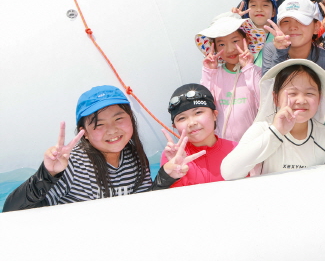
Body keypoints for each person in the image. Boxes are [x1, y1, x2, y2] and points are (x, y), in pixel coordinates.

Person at [220, 59, 325, 217]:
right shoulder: (263, 129)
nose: (301, 100)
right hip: (269, 212)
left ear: (320, 99)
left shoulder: (324, 136)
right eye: (292, 93)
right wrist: (276, 132)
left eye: (310, 93)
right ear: (276, 97)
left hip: (311, 214)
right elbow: (229, 171)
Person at [3, 86, 199, 211]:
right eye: (99, 124)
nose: (112, 130)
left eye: (118, 118)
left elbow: (143, 205)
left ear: (131, 119)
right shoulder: (72, 164)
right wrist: (46, 175)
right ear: (84, 132)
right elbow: (12, 212)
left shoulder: (134, 157)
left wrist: (166, 176)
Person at [196, 12, 261, 142]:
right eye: (221, 44)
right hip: (223, 148)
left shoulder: (255, 72)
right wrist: (209, 72)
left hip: (253, 147)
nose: (230, 49)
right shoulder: (213, 74)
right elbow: (204, 106)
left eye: (235, 41)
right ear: (213, 48)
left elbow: (264, 100)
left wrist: (248, 68)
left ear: (247, 40)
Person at [161, 83, 238, 187]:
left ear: (214, 115)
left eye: (198, 113)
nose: (192, 123)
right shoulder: (171, 156)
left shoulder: (236, 150)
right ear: (175, 126)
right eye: (182, 118)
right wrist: (171, 176)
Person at [262, 0, 325, 74]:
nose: (292, 27)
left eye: (301, 20)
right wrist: (280, 53)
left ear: (316, 27)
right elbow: (267, 84)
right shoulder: (271, 49)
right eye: (286, 21)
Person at [235, 0, 279, 68]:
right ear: (247, 11)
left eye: (265, 5)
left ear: (273, 12)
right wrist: (234, 19)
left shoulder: (279, 38)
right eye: (253, 5)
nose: (259, 9)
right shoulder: (240, 36)